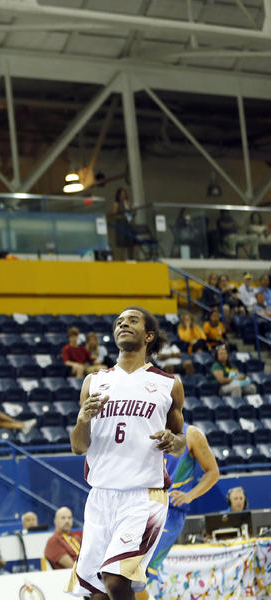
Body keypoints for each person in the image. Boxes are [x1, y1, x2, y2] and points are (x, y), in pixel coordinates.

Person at [68, 306, 186, 600]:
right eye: (119, 322)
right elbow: (78, 447)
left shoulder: (168, 384)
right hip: (101, 496)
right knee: (96, 594)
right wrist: (82, 420)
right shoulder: (94, 381)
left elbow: (182, 441)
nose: (123, 324)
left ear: (148, 336)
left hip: (143, 496)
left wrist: (173, 440)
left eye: (132, 320)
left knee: (116, 579)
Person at [135, 424, 219, 599]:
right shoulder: (145, 426)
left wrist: (190, 495)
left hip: (170, 512)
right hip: (142, 507)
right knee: (126, 572)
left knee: (136, 572)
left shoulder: (192, 434)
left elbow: (213, 472)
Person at [110, 187, 136, 261]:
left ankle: (131, 259)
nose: (123, 196)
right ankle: (122, 260)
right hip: (121, 225)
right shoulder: (116, 204)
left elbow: (131, 214)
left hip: (129, 225)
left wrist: (132, 211)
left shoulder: (128, 203)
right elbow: (113, 215)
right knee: (122, 244)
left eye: (124, 194)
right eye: (121, 194)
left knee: (130, 244)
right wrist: (122, 217)